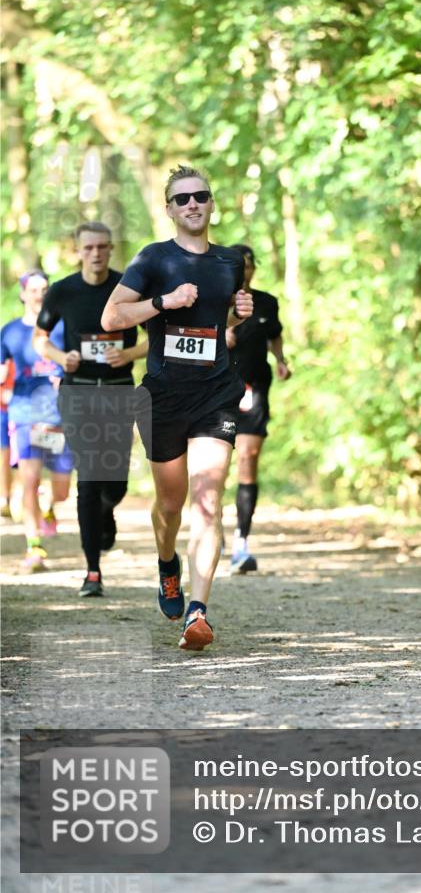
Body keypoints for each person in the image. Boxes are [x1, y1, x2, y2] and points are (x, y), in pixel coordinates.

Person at [100, 164, 253, 652]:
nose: (192, 204)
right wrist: (164, 302)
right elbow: (112, 316)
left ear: (211, 204)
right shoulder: (153, 260)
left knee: (208, 501)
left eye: (200, 196)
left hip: (216, 393)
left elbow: (217, 321)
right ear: (168, 209)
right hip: (164, 396)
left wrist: (236, 314)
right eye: (182, 198)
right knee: (171, 505)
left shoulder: (229, 261)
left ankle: (198, 612)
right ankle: (168, 565)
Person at [34, 223, 147, 597]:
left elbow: (156, 336)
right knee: (88, 478)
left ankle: (107, 508)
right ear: (78, 251)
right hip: (78, 392)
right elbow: (40, 339)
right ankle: (92, 571)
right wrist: (59, 356)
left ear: (111, 249)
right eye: (88, 248)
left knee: (113, 483)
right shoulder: (63, 291)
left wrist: (128, 354)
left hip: (117, 392)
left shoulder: (129, 289)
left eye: (101, 247)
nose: (95, 254)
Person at [0, 270, 74, 570]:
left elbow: (75, 362)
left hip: (58, 417)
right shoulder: (10, 332)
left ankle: (49, 506)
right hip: (24, 414)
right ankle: (34, 546)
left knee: (62, 490)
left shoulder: (62, 328)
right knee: (28, 480)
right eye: (34, 289)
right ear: (23, 294)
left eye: (44, 289)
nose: (39, 294)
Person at [225, 244, 291, 573]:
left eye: (249, 265)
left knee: (247, 458)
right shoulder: (216, 299)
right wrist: (220, 334)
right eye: (239, 265)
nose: (245, 270)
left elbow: (275, 336)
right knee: (215, 465)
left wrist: (280, 360)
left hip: (254, 389)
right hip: (217, 391)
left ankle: (241, 540)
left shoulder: (267, 302)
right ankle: (211, 527)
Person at [0, 357, 15, 518]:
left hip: (25, 411)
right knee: (5, 455)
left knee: (26, 458)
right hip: (2, 411)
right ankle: (5, 498)